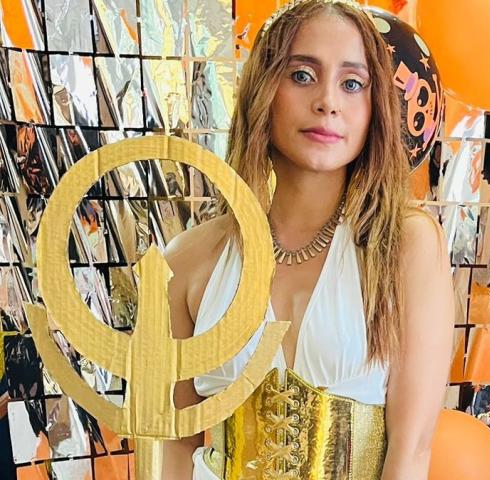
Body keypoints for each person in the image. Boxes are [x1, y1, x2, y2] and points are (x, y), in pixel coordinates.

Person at [162, 0, 455, 478]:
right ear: (263, 89)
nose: (328, 102)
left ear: (374, 106)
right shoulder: (188, 261)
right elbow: (175, 442)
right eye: (302, 75)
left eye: (352, 83)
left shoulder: (406, 245)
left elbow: (412, 449)